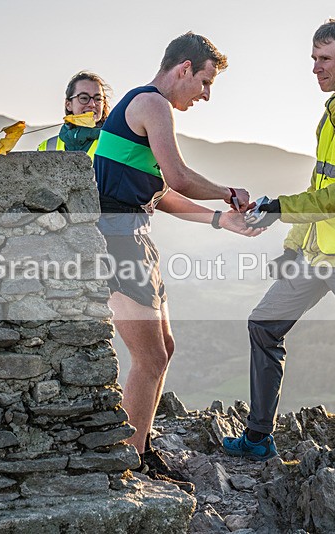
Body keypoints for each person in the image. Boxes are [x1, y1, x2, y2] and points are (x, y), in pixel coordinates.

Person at [223, 19, 335, 460]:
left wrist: (278, 208)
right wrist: (293, 245)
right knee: (263, 325)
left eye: (325, 58)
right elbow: (320, 184)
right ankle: (258, 439)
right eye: (313, 58)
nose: (315, 68)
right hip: (318, 252)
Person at [93, 32, 261, 490]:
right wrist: (229, 193)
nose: (205, 95)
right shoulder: (152, 104)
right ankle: (129, 461)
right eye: (205, 82)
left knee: (164, 349)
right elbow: (180, 177)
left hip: (134, 236)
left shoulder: (146, 108)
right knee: (148, 357)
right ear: (184, 68)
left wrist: (220, 220)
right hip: (118, 240)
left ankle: (139, 446)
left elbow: (163, 193)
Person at [37, 70, 111, 158]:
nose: (92, 104)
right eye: (84, 98)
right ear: (68, 104)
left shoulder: (114, 144)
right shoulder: (47, 148)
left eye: (98, 99)